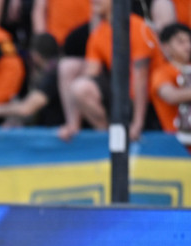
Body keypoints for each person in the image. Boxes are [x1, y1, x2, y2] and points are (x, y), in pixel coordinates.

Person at [58, 0, 165, 142]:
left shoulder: (138, 27)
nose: (94, 1)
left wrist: (137, 124)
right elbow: (91, 73)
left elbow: (141, 78)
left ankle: (124, 133)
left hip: (149, 99)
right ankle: (105, 134)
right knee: (79, 86)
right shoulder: (99, 32)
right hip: (120, 93)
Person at [0, 32, 64, 127]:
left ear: (35, 55)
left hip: (54, 132)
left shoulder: (53, 75)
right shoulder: (55, 70)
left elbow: (27, 108)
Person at [150, 23, 191, 150]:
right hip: (175, 147)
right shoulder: (161, 73)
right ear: (166, 47)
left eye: (189, 41)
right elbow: (171, 96)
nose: (188, 46)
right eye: (181, 42)